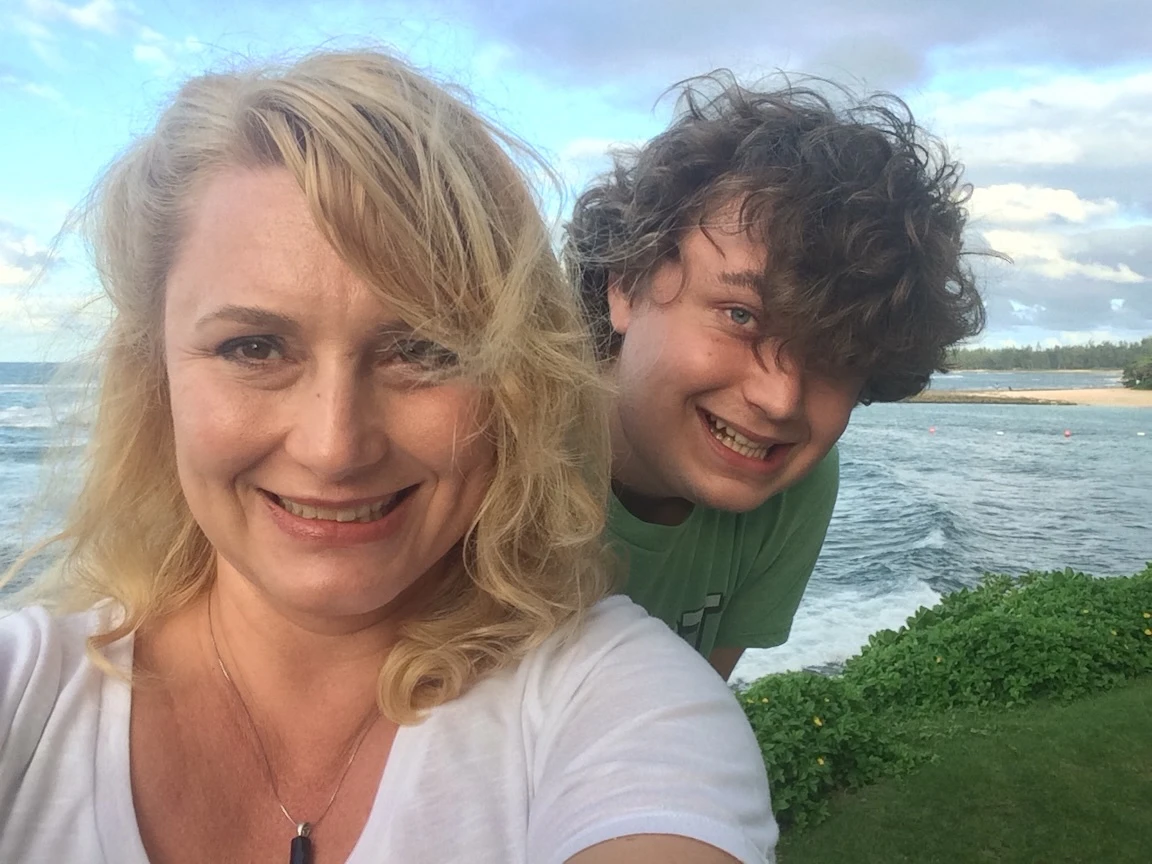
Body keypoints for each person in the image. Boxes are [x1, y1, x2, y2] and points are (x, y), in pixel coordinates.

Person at [0, 51, 776, 864]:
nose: (335, 447)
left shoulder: (619, 706)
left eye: (422, 348)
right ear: (152, 376)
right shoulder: (28, 697)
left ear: (516, 386)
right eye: (255, 346)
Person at [565, 74, 985, 680]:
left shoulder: (794, 487)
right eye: (741, 316)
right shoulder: (497, 447)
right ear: (626, 282)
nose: (781, 398)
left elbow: (688, 711)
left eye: (837, 354)